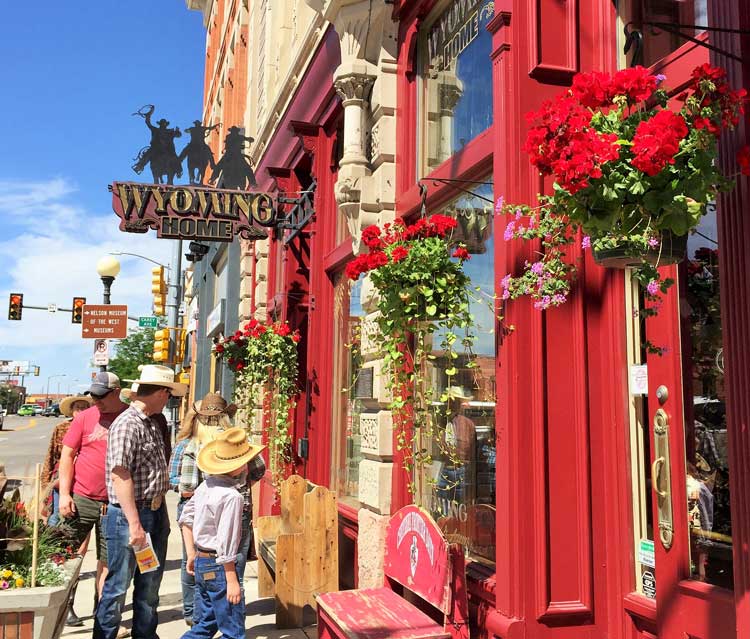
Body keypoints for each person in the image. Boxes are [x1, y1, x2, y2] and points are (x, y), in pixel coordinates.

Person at [94, 365, 187, 639]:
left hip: (154, 512)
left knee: (149, 585)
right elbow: (120, 474)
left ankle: (145, 635)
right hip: (130, 516)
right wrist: (135, 523)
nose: (169, 398)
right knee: (117, 587)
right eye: (168, 393)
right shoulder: (128, 424)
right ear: (159, 393)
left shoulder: (152, 422)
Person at [179, 393, 265, 604]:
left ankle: (197, 614)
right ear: (226, 416)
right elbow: (259, 470)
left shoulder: (195, 445)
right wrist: (238, 486)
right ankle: (232, 613)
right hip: (238, 509)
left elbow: (187, 487)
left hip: (202, 514)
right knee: (236, 567)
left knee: (197, 564)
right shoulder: (235, 440)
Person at [58, 373, 128, 626]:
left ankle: (104, 616)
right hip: (83, 497)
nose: (95, 400)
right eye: (93, 395)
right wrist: (65, 494)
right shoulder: (85, 418)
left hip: (117, 504)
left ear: (117, 391)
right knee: (65, 554)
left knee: (109, 561)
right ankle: (64, 607)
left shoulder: (129, 417)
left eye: (101, 395)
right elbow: (67, 455)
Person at [41, 395, 93, 526]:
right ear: (71, 410)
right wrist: (45, 483)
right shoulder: (61, 427)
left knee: (81, 517)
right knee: (56, 515)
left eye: (84, 408)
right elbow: (51, 455)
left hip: (85, 480)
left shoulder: (94, 428)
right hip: (62, 477)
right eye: (78, 407)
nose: (81, 411)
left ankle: (80, 547)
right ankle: (53, 543)